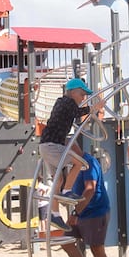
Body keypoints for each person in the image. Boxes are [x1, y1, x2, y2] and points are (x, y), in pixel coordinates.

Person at [38, 77, 102, 231]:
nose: (83, 98)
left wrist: (92, 109)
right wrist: (94, 108)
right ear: (73, 92)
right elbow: (78, 113)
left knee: (58, 180)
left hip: (46, 146)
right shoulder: (67, 102)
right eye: (82, 94)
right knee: (78, 162)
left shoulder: (62, 103)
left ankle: (54, 214)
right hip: (52, 145)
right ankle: (67, 191)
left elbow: (75, 115)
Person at [61, 150, 111, 257]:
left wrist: (76, 212)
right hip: (81, 211)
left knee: (97, 249)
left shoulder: (88, 162)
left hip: (95, 211)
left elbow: (90, 189)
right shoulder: (76, 164)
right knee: (65, 241)